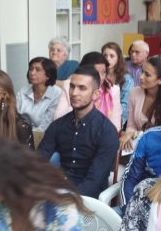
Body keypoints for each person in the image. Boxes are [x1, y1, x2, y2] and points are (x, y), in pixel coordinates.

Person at [38, 67, 119, 198]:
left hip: (88, 200)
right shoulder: (58, 125)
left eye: (82, 88)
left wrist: (67, 199)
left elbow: (94, 181)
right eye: (72, 87)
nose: (74, 93)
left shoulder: (107, 131)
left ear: (96, 94)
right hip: (58, 191)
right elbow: (39, 160)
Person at [120, 57, 161, 151]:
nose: (141, 76)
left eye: (147, 75)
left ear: (160, 80)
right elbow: (131, 126)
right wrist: (129, 136)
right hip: (137, 145)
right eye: (142, 71)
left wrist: (134, 135)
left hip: (159, 148)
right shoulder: (134, 92)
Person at [16, 57, 62, 132]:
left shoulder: (57, 94)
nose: (32, 73)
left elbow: (46, 126)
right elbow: (15, 116)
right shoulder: (24, 90)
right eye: (31, 69)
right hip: (21, 134)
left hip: (44, 137)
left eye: (38, 70)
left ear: (48, 75)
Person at [79, 52, 122, 131]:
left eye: (103, 72)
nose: (100, 77)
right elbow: (59, 116)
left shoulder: (113, 89)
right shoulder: (73, 86)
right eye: (96, 72)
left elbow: (116, 123)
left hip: (105, 135)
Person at [103, 42, 134, 127]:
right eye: (105, 56)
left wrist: (117, 123)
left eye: (112, 56)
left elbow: (124, 105)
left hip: (116, 117)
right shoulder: (99, 74)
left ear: (118, 58)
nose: (107, 59)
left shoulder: (127, 78)